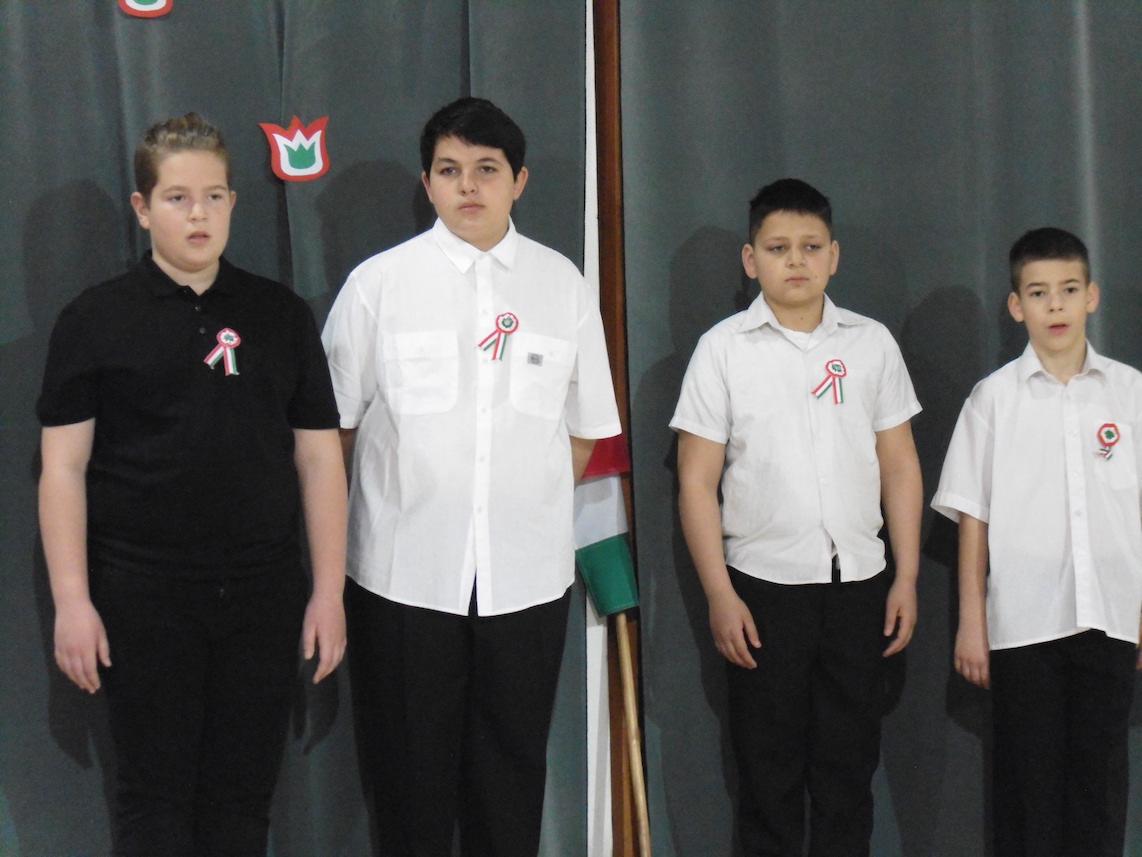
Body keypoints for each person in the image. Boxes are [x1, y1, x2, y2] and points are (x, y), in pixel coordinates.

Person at [37, 112, 347, 857]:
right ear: (143, 208)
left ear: (234, 202)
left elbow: (319, 460)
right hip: (142, 594)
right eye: (177, 198)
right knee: (153, 801)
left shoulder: (280, 315)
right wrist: (73, 601)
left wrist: (329, 591)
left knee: (242, 800)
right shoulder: (94, 319)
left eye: (213, 196)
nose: (198, 214)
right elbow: (63, 468)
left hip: (262, 592)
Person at [320, 97, 620, 857]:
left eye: (487, 169)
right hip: (402, 580)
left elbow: (584, 429)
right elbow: (334, 430)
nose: (468, 187)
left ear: (519, 181)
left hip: (526, 581)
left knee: (509, 781)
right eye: (449, 170)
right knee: (408, 784)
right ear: (427, 183)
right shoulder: (378, 284)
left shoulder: (561, 284)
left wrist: (521, 508)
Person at [671, 178, 922, 857]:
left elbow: (900, 466)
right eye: (778, 247)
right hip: (762, 591)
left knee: (848, 776)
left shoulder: (870, 344)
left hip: (859, 586)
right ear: (751, 260)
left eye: (811, 247)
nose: (796, 261)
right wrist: (720, 593)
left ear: (833, 256)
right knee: (768, 777)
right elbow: (696, 481)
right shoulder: (722, 349)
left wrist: (905, 577)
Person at [932, 227, 1142, 857]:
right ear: (1016, 305)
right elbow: (973, 518)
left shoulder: (1130, 393)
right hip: (1023, 626)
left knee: (1099, 786)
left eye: (1069, 290)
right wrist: (972, 622)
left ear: (1092, 297)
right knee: (1029, 792)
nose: (1056, 305)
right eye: (1039, 292)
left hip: (1110, 617)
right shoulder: (993, 399)